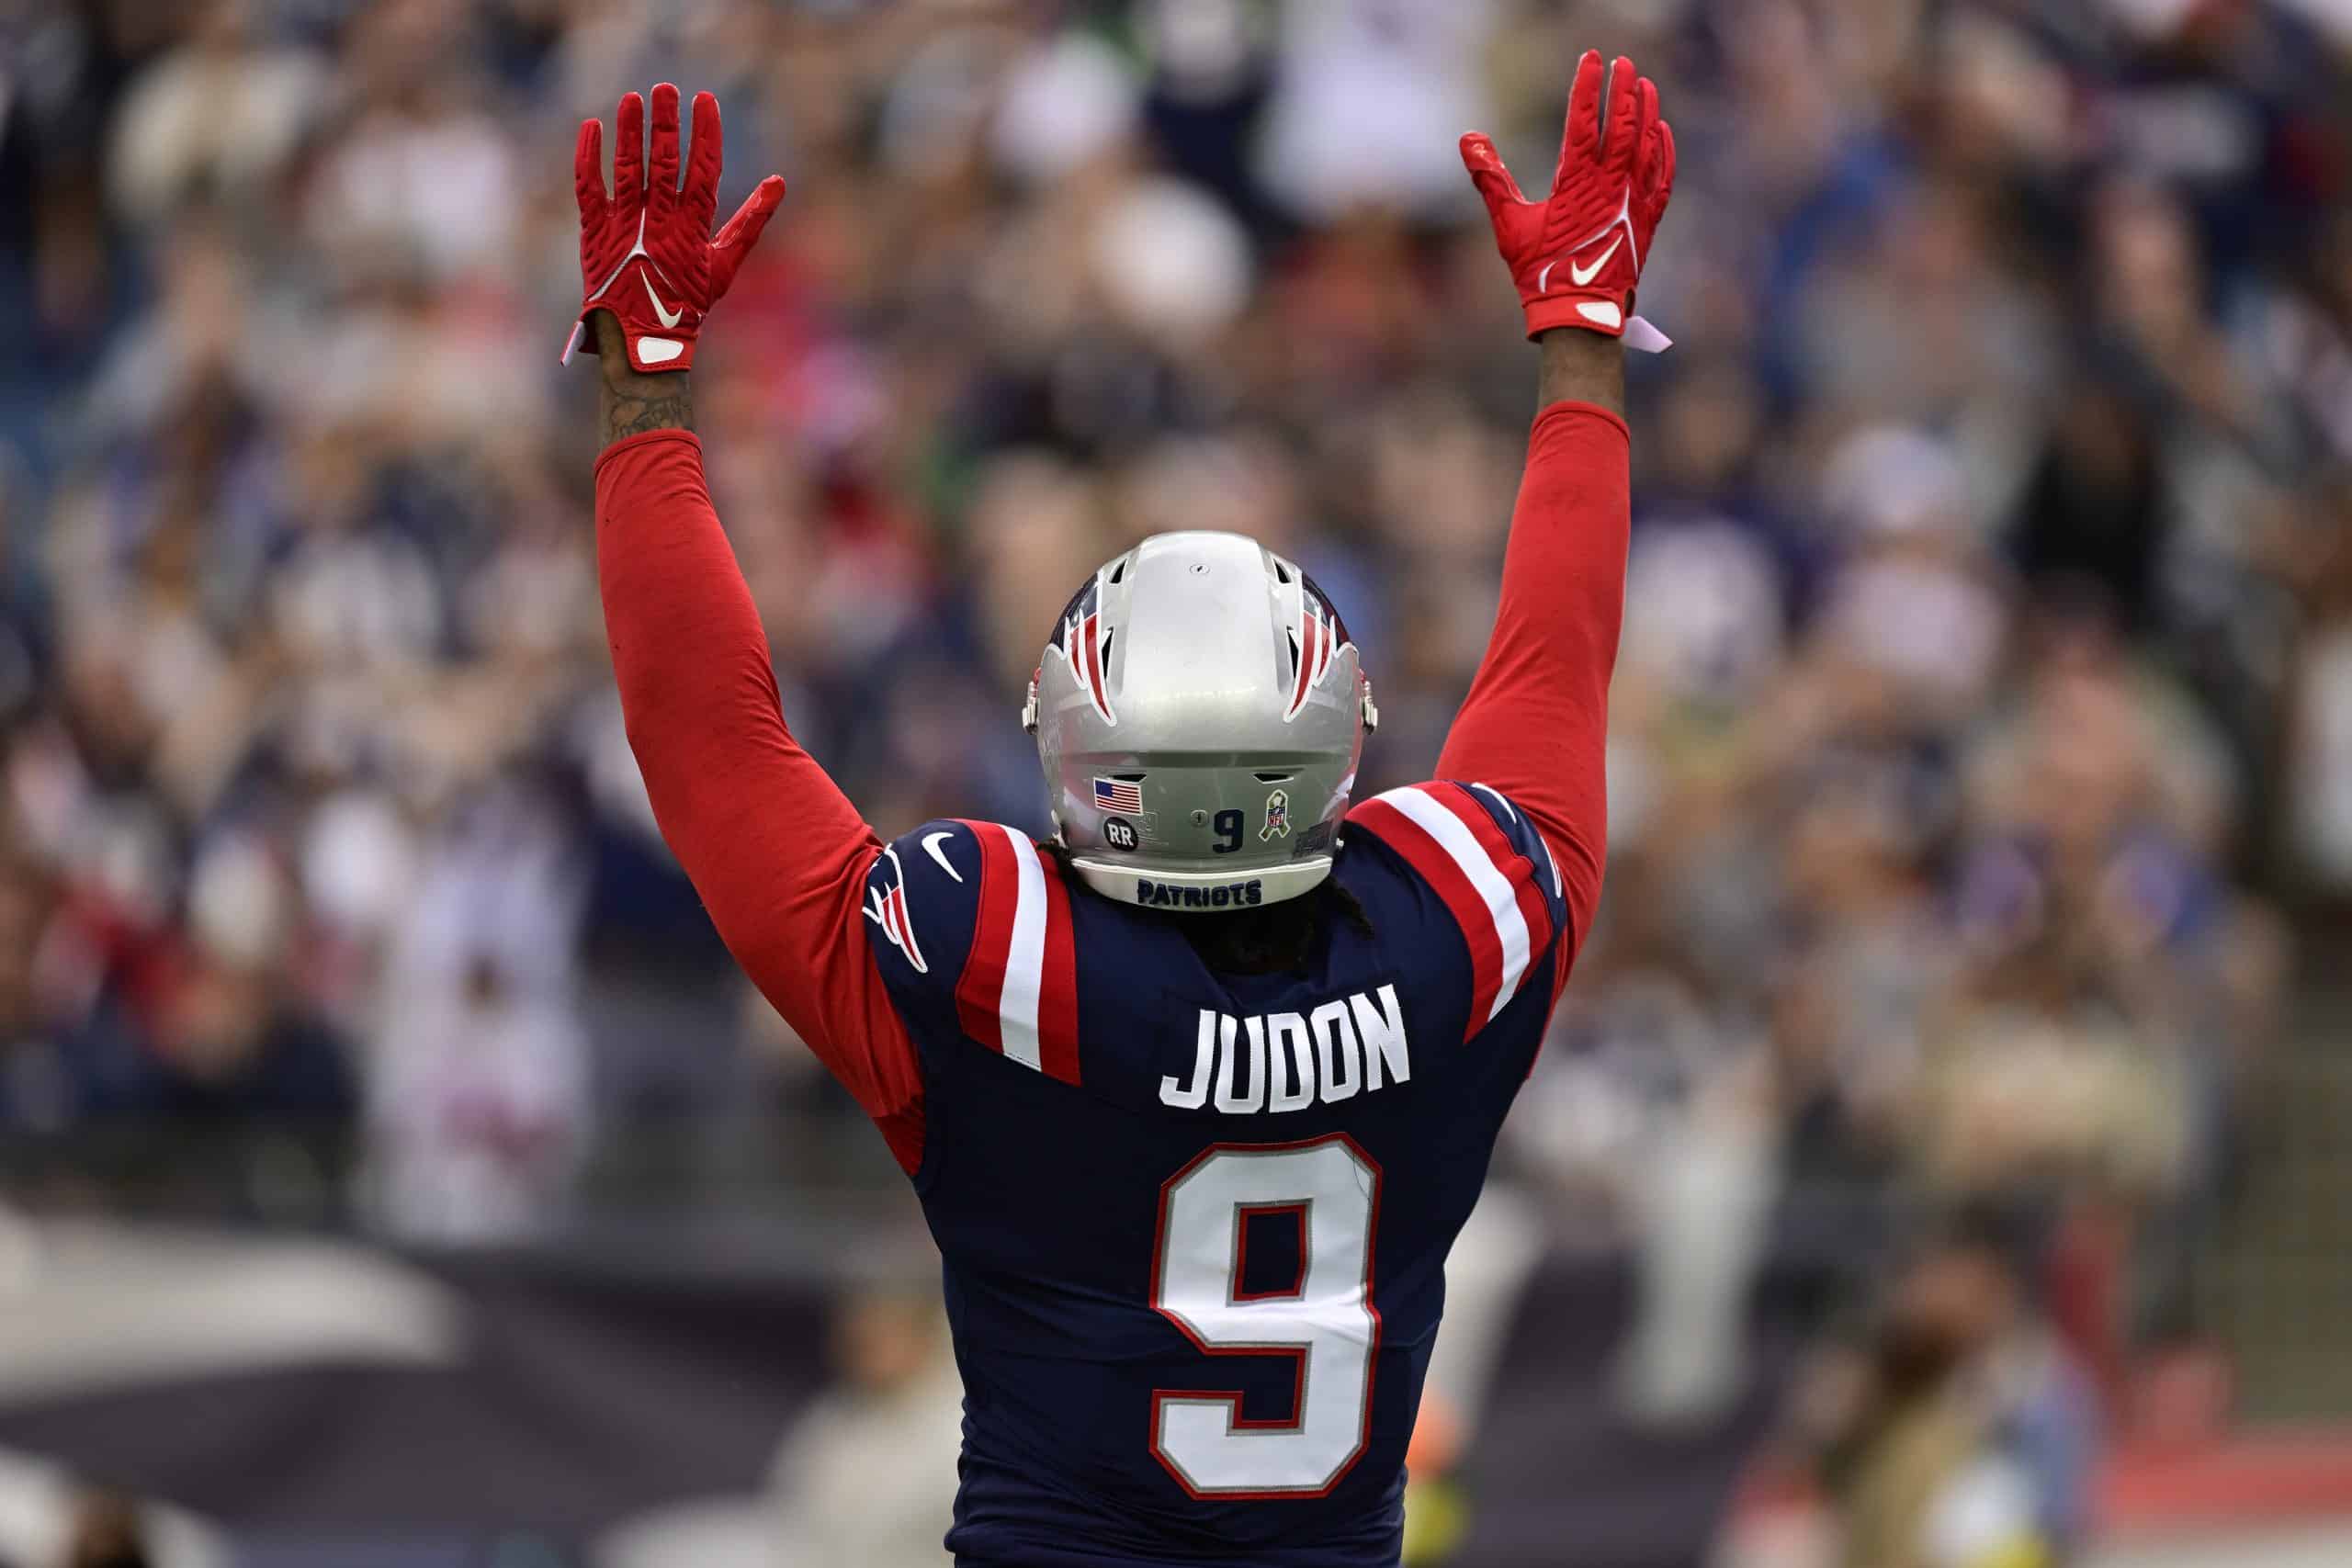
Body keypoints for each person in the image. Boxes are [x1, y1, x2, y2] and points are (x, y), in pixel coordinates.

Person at [571, 52, 1673, 1568]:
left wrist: (646, 382)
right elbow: (1557, 663)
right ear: (1334, 733)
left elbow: (704, 740)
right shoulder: (1461, 929)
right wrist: (1583, 346)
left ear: (1078, 745)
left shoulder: (990, 962)